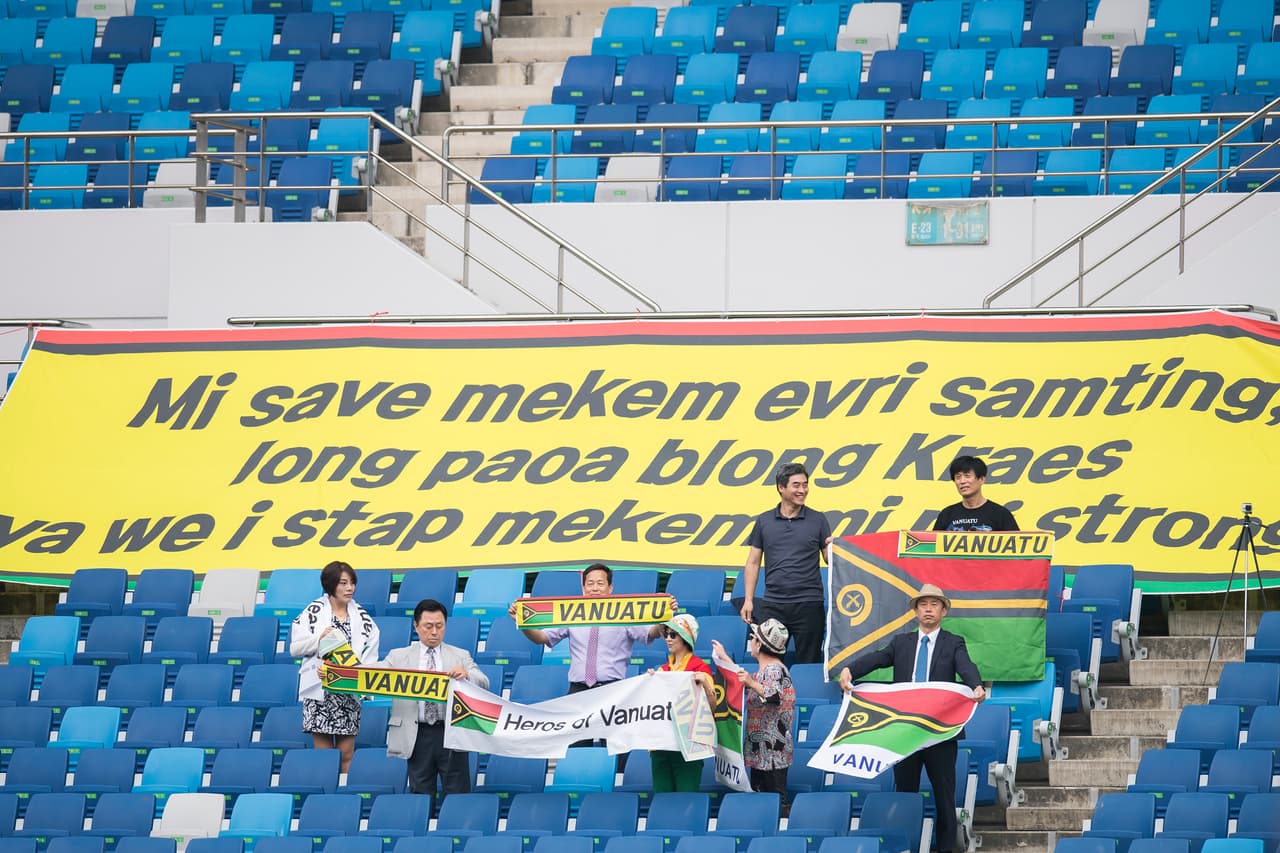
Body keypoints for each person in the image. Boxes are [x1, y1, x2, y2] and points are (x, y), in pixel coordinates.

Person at [836, 584, 987, 853]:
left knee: (944, 794)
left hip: (940, 732)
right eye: (923, 604)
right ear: (915, 610)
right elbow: (878, 658)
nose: (928, 609)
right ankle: (908, 844)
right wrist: (850, 669)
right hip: (904, 732)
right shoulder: (901, 643)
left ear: (943, 610)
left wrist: (975, 685)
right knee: (905, 792)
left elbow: (966, 666)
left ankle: (945, 848)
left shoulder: (953, 642)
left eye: (934, 604)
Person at [382, 598, 489, 797]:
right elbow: (370, 675)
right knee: (420, 792)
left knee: (457, 792)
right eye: (428, 626)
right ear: (416, 626)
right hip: (417, 732)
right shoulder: (398, 657)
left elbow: (484, 682)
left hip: (451, 731)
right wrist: (339, 671)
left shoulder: (460, 655)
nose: (434, 632)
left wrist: (467, 674)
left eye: (439, 626)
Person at [509, 563, 664, 693]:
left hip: (612, 689)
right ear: (583, 588)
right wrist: (523, 623)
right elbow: (541, 638)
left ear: (610, 588)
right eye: (590, 584)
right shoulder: (572, 613)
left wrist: (663, 618)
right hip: (577, 690)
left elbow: (651, 633)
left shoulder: (624, 613)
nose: (594, 588)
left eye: (600, 583)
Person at [290, 560, 380, 773]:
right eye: (343, 583)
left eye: (352, 583)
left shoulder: (363, 618)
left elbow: (369, 657)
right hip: (319, 690)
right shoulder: (313, 612)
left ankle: (344, 798)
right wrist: (319, 640)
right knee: (324, 757)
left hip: (347, 691)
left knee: (346, 755)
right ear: (330, 585)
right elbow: (295, 648)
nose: (350, 588)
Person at [740, 462, 833, 664]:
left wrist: (838, 549)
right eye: (796, 485)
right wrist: (748, 600)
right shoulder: (764, 521)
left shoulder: (818, 520)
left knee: (809, 663)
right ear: (781, 488)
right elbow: (753, 563)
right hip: (773, 604)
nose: (803, 490)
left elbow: (829, 558)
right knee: (769, 662)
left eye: (805, 485)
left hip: (809, 603)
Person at [714, 619, 796, 815]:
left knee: (776, 804)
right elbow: (743, 679)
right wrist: (725, 658)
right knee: (764, 803)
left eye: (753, 637)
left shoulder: (774, 670)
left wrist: (751, 682)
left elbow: (774, 696)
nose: (750, 640)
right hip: (762, 752)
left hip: (772, 752)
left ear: (760, 644)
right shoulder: (764, 671)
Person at [648, 613, 716, 793]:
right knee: (661, 801)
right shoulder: (661, 670)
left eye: (673, 635)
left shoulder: (700, 668)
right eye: (666, 634)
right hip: (661, 746)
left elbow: (711, 707)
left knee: (686, 799)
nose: (668, 639)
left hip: (688, 747)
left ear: (686, 638)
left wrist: (707, 686)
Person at [933, 455, 1019, 532]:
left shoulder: (1000, 514)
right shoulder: (946, 514)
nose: (962, 481)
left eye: (967, 476)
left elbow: (1017, 545)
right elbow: (931, 546)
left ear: (981, 479)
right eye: (958, 477)